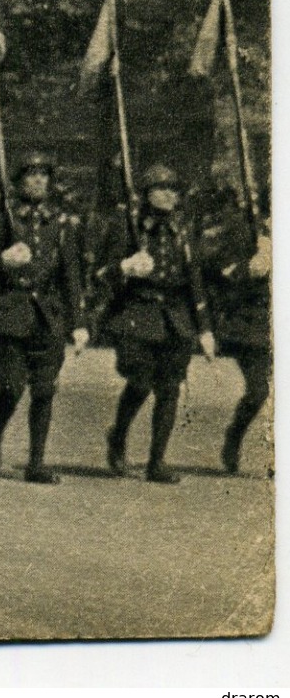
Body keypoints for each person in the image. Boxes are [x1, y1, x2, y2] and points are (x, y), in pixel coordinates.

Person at [0, 151, 89, 484]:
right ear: (19, 181)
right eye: (31, 175)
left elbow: (71, 276)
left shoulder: (61, 224)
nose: (38, 180)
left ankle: (36, 462)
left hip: (46, 318)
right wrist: (2, 260)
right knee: (12, 385)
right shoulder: (3, 218)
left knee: (44, 390)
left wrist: (78, 321)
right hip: (7, 315)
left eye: (43, 175)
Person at [98, 164, 216, 483]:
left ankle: (156, 461)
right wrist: (125, 267)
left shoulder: (183, 229)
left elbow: (194, 281)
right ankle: (119, 434)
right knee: (139, 381)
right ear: (147, 193)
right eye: (161, 188)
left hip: (176, 319)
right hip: (138, 314)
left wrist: (204, 327)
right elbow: (99, 272)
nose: (169, 194)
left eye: (174, 189)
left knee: (169, 390)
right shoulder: (129, 226)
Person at [199, 188, 271, 475]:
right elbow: (217, 270)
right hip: (254, 324)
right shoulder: (245, 230)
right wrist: (248, 269)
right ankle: (234, 436)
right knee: (258, 392)